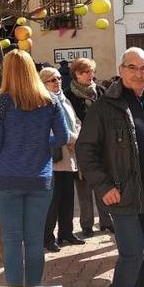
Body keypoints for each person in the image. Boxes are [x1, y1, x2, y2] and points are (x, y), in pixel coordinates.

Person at [76, 47, 144, 287]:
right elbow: (85, 150)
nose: (138, 73)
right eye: (132, 67)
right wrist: (103, 186)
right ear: (121, 70)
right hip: (122, 194)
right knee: (134, 254)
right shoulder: (104, 105)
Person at [0, 50, 69, 287]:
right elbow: (63, 136)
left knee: (11, 240)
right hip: (39, 178)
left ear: (7, 71)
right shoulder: (49, 101)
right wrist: (41, 144)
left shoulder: (0, 103)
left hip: (6, 177)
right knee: (34, 240)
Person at [63, 58, 113, 237]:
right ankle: (86, 224)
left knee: (103, 183)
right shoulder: (68, 95)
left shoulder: (100, 91)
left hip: (102, 146)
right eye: (85, 72)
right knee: (83, 187)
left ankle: (107, 221)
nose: (90, 75)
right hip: (81, 147)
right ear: (76, 74)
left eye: (92, 71)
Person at [39, 68, 83, 252]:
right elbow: (47, 128)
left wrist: (76, 138)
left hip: (69, 155)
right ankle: (47, 237)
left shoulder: (64, 99)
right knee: (52, 201)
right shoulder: (43, 101)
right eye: (51, 80)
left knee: (67, 198)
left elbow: (77, 122)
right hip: (55, 157)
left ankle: (66, 232)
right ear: (43, 83)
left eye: (58, 78)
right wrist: (70, 139)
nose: (57, 82)